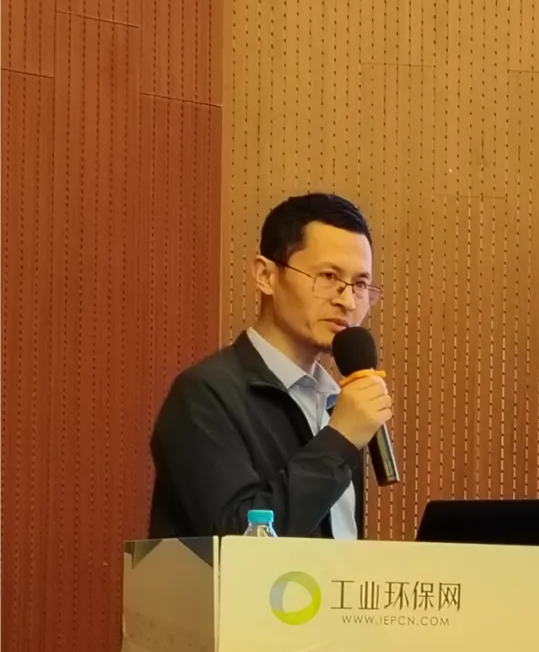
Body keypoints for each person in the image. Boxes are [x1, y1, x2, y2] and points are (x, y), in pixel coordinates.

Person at [148, 193, 392, 539]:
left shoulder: (336, 403)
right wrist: (339, 441)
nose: (348, 300)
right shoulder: (204, 394)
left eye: (361, 284)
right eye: (328, 276)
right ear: (266, 275)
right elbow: (236, 538)